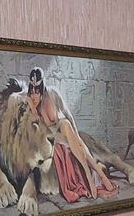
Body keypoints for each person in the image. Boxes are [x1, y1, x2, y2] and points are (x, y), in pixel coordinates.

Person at [25, 67, 117, 200]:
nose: (34, 96)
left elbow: (68, 115)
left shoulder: (53, 94)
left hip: (63, 128)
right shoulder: (30, 103)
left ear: (42, 89)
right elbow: (38, 130)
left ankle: (96, 174)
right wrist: (34, 109)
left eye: (37, 92)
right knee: (73, 138)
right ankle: (94, 176)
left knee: (68, 127)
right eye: (32, 92)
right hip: (52, 136)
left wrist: (77, 136)